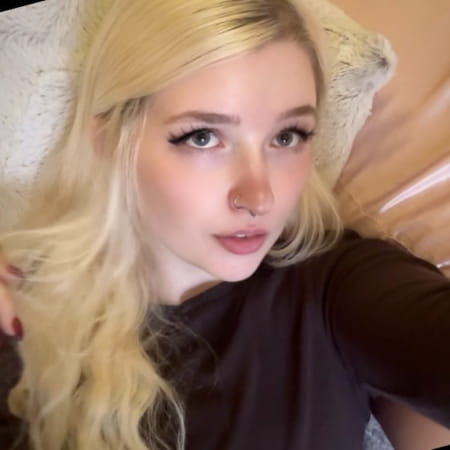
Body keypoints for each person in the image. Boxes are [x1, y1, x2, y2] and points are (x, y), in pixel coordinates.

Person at [0, 0, 449, 449]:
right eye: (203, 137)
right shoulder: (23, 315)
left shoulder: (337, 288)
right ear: (110, 141)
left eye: (287, 137)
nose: (259, 197)